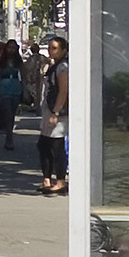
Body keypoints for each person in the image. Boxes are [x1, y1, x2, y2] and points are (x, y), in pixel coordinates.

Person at [39, 35, 70, 194]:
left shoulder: (62, 67)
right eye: (50, 48)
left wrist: (56, 112)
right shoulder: (54, 65)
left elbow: (63, 91)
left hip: (57, 112)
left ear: (64, 50)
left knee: (56, 147)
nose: (51, 51)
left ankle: (60, 181)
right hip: (49, 110)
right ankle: (47, 179)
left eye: (55, 48)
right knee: (44, 145)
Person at [0, 39, 25, 150]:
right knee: (7, 112)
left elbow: (24, 76)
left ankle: (9, 133)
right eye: (9, 47)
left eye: (13, 48)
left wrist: (25, 90)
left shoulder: (18, 62)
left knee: (12, 113)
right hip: (4, 87)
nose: (11, 50)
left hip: (15, 87)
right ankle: (9, 137)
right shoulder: (1, 61)